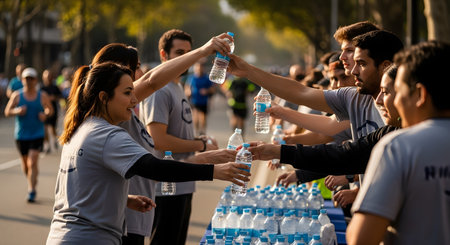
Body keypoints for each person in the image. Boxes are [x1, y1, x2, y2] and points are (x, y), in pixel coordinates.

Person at [46, 62, 249, 245]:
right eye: (127, 93)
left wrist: (123, 199)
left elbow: (79, 189)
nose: (135, 101)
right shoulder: (107, 135)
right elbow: (156, 168)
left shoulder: (80, 128)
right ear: (103, 97)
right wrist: (214, 171)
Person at [347, 41, 450, 245]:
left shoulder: (398, 147)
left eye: (398, 91)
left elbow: (361, 238)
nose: (394, 102)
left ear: (420, 94)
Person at [249, 65, 400, 184]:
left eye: (385, 92)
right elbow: (340, 154)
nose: (379, 100)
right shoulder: (388, 130)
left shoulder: (404, 137)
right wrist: (281, 150)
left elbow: (341, 153)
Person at [139, 29, 219, 245]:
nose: (186, 59)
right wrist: (200, 145)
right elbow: (159, 140)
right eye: (179, 52)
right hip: (166, 187)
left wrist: (198, 140)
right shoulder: (160, 89)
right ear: (164, 55)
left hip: (183, 180)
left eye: (188, 53)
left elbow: (175, 132)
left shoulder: (177, 85)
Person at [4, 67, 53, 202]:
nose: (29, 81)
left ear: (35, 80)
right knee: (26, 165)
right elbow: (7, 112)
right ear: (23, 80)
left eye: (31, 78)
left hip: (37, 133)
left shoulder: (41, 95)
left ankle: (31, 190)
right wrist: (17, 111)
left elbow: (50, 109)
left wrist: (45, 114)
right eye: (26, 79)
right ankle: (31, 180)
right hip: (21, 135)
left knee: (33, 161)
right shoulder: (17, 95)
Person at [184, 61, 215, 135]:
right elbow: (187, 87)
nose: (199, 68)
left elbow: (212, 89)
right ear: (195, 68)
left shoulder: (206, 78)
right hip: (194, 100)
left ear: (203, 68)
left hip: (203, 101)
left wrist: (206, 91)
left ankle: (203, 131)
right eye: (197, 67)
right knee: (195, 117)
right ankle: (196, 132)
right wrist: (188, 91)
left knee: (203, 118)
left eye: (200, 67)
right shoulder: (191, 78)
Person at [41, 69, 62, 153]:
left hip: (54, 110)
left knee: (53, 128)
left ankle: (54, 140)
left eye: (49, 76)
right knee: (45, 128)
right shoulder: (41, 87)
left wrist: (54, 98)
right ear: (43, 77)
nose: (48, 78)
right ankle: (47, 145)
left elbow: (60, 96)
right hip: (44, 110)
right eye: (46, 77)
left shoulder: (55, 87)